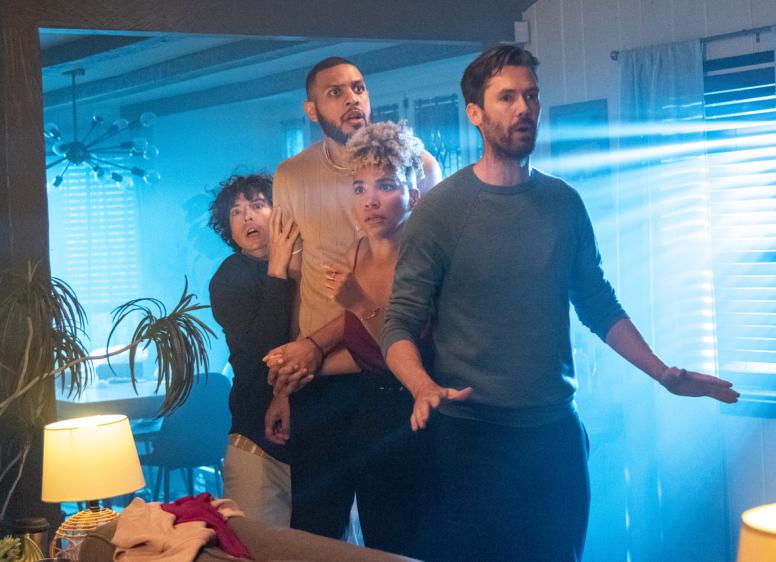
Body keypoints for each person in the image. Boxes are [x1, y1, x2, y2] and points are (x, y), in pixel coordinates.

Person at [381, 45, 740, 562]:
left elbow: (598, 304)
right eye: (507, 97)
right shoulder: (441, 211)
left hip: (554, 433)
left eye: (531, 96)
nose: (523, 108)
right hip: (471, 436)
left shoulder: (563, 202)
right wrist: (422, 385)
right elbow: (398, 323)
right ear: (475, 114)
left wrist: (662, 372)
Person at [269, 57, 442, 541]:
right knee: (314, 529)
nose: (352, 99)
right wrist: (287, 385)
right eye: (336, 92)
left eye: (359, 88)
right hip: (321, 378)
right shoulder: (291, 175)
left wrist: (316, 348)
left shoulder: (419, 166)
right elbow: (297, 286)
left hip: (391, 372)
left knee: (395, 529)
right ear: (311, 109)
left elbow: (413, 294)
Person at [208, 173, 300, 526]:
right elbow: (263, 350)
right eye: (236, 212)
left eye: (258, 205)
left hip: (314, 434)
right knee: (258, 543)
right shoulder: (228, 279)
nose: (247, 216)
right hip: (255, 435)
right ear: (228, 229)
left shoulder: (307, 258)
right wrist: (276, 270)